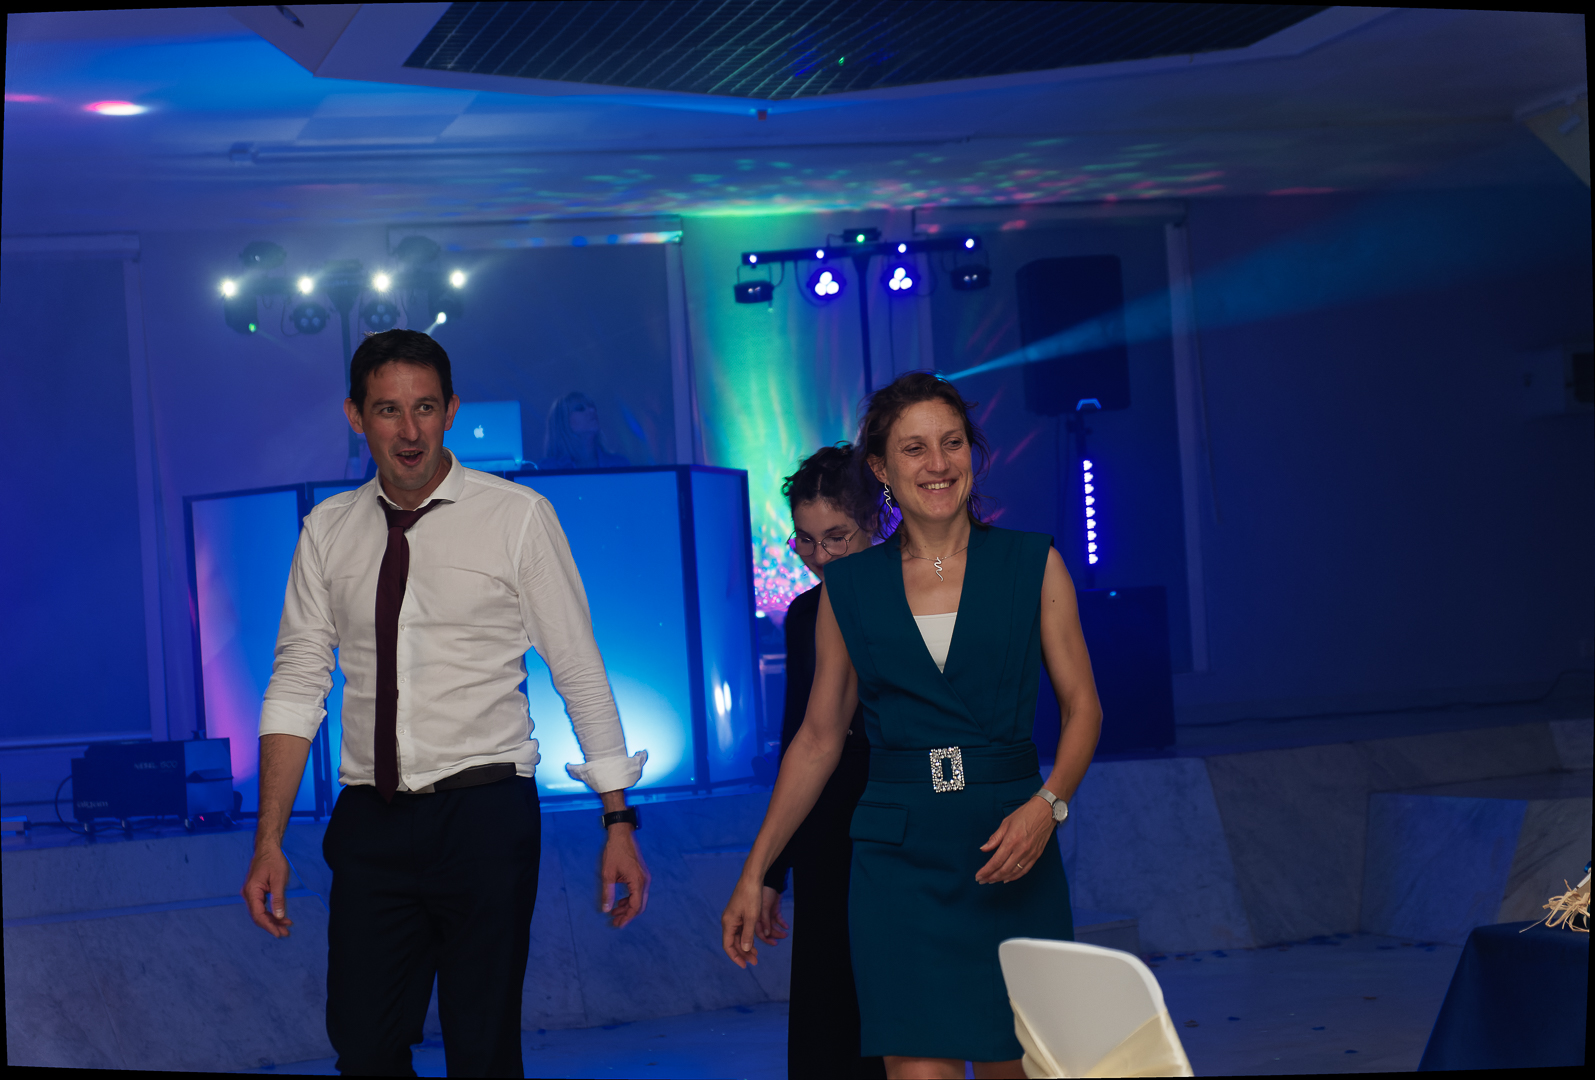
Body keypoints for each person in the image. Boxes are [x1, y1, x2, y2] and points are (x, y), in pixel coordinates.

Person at [242, 329, 650, 1078]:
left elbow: (579, 669)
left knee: (482, 1049)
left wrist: (617, 818)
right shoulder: (327, 531)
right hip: (370, 819)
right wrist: (269, 839)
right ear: (355, 416)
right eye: (388, 410)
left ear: (451, 410)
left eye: (425, 408)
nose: (410, 430)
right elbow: (298, 684)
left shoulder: (516, 516)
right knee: (363, 1047)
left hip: (484, 815)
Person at [722, 372, 1102, 1079]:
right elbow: (817, 739)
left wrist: (1047, 806)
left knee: (1013, 1067)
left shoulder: (1034, 564)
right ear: (881, 469)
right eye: (914, 448)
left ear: (971, 454)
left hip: (1009, 844)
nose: (937, 463)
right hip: (897, 862)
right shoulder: (848, 588)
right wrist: (756, 870)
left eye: (952, 443)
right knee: (916, 1071)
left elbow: (1084, 708)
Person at [757, 445, 886, 1080]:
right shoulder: (805, 611)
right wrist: (771, 872)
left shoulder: (913, 593)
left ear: (876, 520)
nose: (820, 556)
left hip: (897, 819)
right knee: (826, 1008)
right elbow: (799, 738)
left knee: (893, 1011)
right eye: (805, 541)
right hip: (825, 824)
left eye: (837, 536)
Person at [539, 390, 629, 469]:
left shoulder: (619, 464)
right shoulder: (547, 468)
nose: (592, 410)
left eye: (592, 406)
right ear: (563, 421)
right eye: (580, 408)